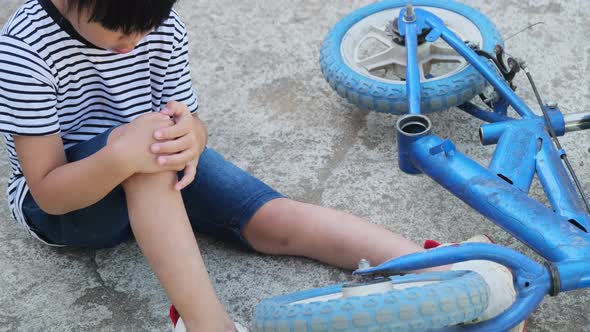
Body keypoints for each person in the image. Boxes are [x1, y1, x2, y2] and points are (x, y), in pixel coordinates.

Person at [0, 1, 520, 331]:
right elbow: (48, 192)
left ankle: (434, 268)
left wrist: (191, 135)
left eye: (147, 27)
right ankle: (209, 326)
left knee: (271, 217)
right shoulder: (24, 49)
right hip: (72, 202)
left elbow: (190, 122)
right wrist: (123, 154)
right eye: (117, 31)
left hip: (153, 164)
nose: (134, 42)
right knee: (149, 154)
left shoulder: (157, 22)